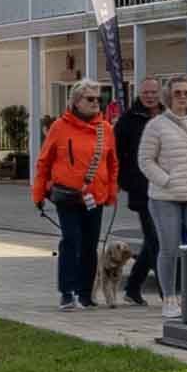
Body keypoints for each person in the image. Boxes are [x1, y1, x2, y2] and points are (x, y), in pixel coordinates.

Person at [128, 83, 187, 312]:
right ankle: (169, 297)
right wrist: (166, 180)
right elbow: (145, 160)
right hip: (165, 196)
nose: (182, 96)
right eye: (177, 93)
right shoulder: (155, 125)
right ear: (168, 96)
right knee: (169, 247)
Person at [38, 86, 120, 306]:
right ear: (76, 102)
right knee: (71, 240)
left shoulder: (105, 129)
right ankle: (67, 291)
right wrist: (39, 193)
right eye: (90, 99)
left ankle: (85, 293)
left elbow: (112, 163)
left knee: (90, 244)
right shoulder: (59, 127)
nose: (96, 103)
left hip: (96, 196)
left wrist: (111, 191)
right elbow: (44, 161)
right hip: (68, 195)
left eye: (98, 99)